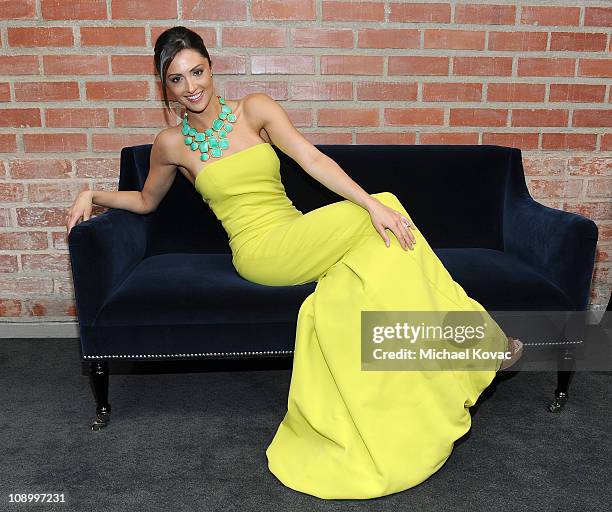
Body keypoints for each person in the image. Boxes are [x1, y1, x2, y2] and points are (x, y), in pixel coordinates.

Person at [66, 26, 523, 500]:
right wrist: (91, 193)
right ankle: (477, 341)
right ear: (166, 89)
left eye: (197, 71)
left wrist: (369, 206)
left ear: (211, 68)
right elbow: (145, 200)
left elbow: (311, 158)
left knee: (382, 256)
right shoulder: (170, 145)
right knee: (386, 208)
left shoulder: (255, 109)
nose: (191, 87)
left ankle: (439, 361)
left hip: (297, 232)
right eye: (177, 80)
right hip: (259, 253)